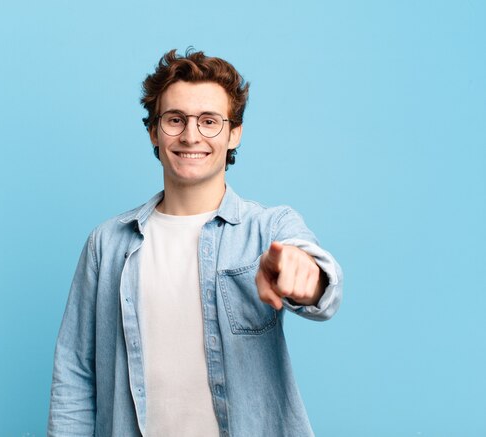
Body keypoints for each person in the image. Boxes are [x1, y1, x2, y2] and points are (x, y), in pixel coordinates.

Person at [48, 48, 343, 437]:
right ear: (153, 131)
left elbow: (321, 283)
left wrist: (308, 276)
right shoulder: (108, 243)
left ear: (234, 132)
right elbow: (75, 371)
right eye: (175, 120)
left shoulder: (269, 229)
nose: (191, 135)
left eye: (209, 121)